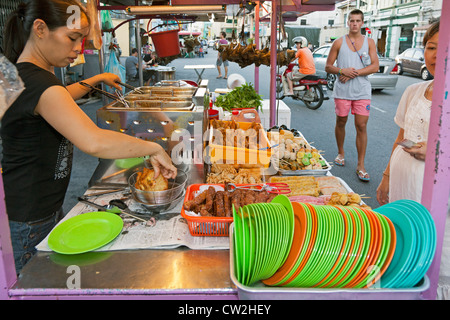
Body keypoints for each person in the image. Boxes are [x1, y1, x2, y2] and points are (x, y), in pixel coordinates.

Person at [1, 0, 177, 274]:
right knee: (36, 286)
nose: (78, 49)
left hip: (31, 206)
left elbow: (60, 99)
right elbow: (93, 141)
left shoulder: (23, 76)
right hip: (29, 218)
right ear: (40, 29)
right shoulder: (40, 84)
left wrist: (97, 79)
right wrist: (152, 147)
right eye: (72, 38)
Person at [375, 20, 449, 300]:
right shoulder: (413, 91)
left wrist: (434, 152)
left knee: (433, 257)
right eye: (431, 47)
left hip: (436, 194)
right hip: (402, 184)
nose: (435, 55)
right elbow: (400, 138)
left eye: (444, 48)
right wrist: (386, 177)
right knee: (403, 247)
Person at [325, 9, 379, 182]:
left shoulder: (369, 42)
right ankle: (341, 152)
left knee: (361, 126)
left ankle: (361, 165)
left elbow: (374, 66)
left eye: (358, 21)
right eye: (352, 20)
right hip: (342, 92)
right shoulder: (339, 42)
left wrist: (352, 73)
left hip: (362, 91)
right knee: (341, 121)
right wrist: (342, 70)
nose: (355, 23)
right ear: (348, 22)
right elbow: (328, 66)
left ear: (362, 23)